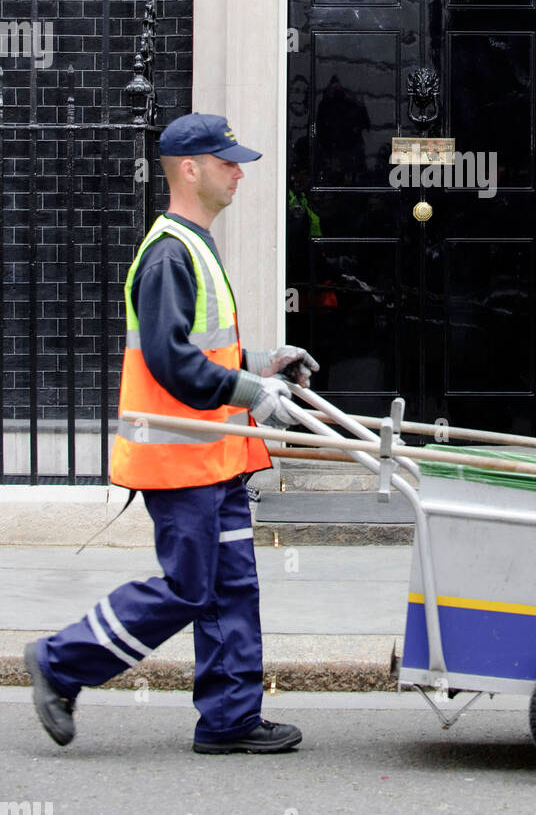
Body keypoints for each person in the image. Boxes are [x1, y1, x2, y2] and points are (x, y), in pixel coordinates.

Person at [24, 113, 318, 753]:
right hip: (181, 462)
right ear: (191, 169)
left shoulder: (194, 244)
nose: (239, 171)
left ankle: (230, 719)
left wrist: (262, 363)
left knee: (231, 585)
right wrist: (251, 393)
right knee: (189, 589)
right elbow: (170, 360)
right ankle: (60, 661)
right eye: (228, 161)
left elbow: (201, 350)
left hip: (217, 459)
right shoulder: (168, 253)